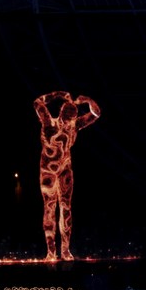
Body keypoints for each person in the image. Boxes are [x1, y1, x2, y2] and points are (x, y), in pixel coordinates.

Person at [32, 90, 101, 261]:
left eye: (73, 116)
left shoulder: (74, 126)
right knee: (49, 208)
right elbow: (37, 103)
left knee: (66, 208)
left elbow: (95, 114)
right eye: (67, 115)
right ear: (61, 113)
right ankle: (51, 251)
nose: (69, 120)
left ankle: (65, 250)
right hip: (48, 171)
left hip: (65, 169)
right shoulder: (49, 123)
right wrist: (57, 94)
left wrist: (87, 99)